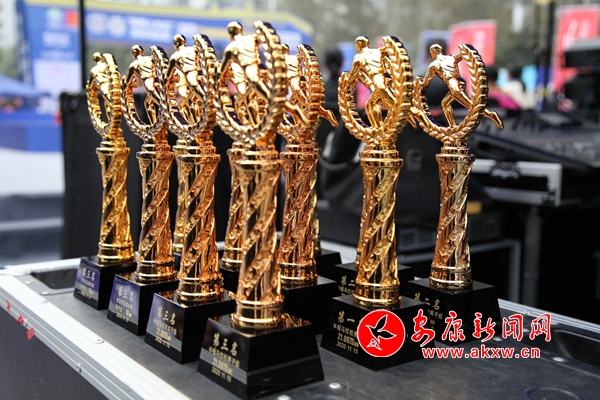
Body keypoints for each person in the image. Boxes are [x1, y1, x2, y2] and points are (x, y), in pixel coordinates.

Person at [423, 44, 503, 129]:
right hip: (459, 82)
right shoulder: (451, 58)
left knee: (469, 105)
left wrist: (421, 83)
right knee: (445, 104)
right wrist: (467, 50)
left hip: (453, 85)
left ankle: (490, 114)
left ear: (432, 53)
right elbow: (463, 54)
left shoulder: (434, 65)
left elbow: (426, 81)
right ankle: (453, 126)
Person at [347, 36, 396, 128]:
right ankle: (378, 126)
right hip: (379, 87)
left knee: (393, 106)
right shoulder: (377, 52)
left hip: (379, 86)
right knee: (371, 104)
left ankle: (378, 127)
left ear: (358, 46)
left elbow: (352, 77)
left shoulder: (359, 58)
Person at [123, 45, 161, 124]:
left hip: (148, 82)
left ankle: (166, 111)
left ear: (133, 54)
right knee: (147, 103)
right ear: (142, 52)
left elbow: (128, 81)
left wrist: (130, 82)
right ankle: (154, 123)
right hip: (157, 80)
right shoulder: (150, 58)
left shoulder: (133, 65)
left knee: (160, 101)